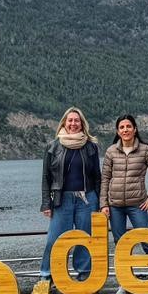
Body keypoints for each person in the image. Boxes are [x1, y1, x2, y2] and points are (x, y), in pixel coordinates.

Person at [100, 114, 148, 294]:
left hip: (138, 204)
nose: (125, 130)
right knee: (121, 244)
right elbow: (105, 179)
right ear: (117, 131)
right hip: (115, 206)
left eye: (128, 126)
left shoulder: (145, 150)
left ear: (135, 129)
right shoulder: (111, 151)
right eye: (121, 127)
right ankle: (125, 283)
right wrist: (103, 204)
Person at [39, 107, 102, 284]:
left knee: (84, 239)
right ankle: (46, 276)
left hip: (87, 199)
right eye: (70, 120)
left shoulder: (91, 147)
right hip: (62, 199)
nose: (73, 124)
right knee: (54, 239)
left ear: (82, 123)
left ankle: (83, 275)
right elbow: (46, 177)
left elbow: (97, 176)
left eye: (77, 120)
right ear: (64, 123)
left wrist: (99, 202)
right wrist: (46, 203)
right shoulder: (52, 146)